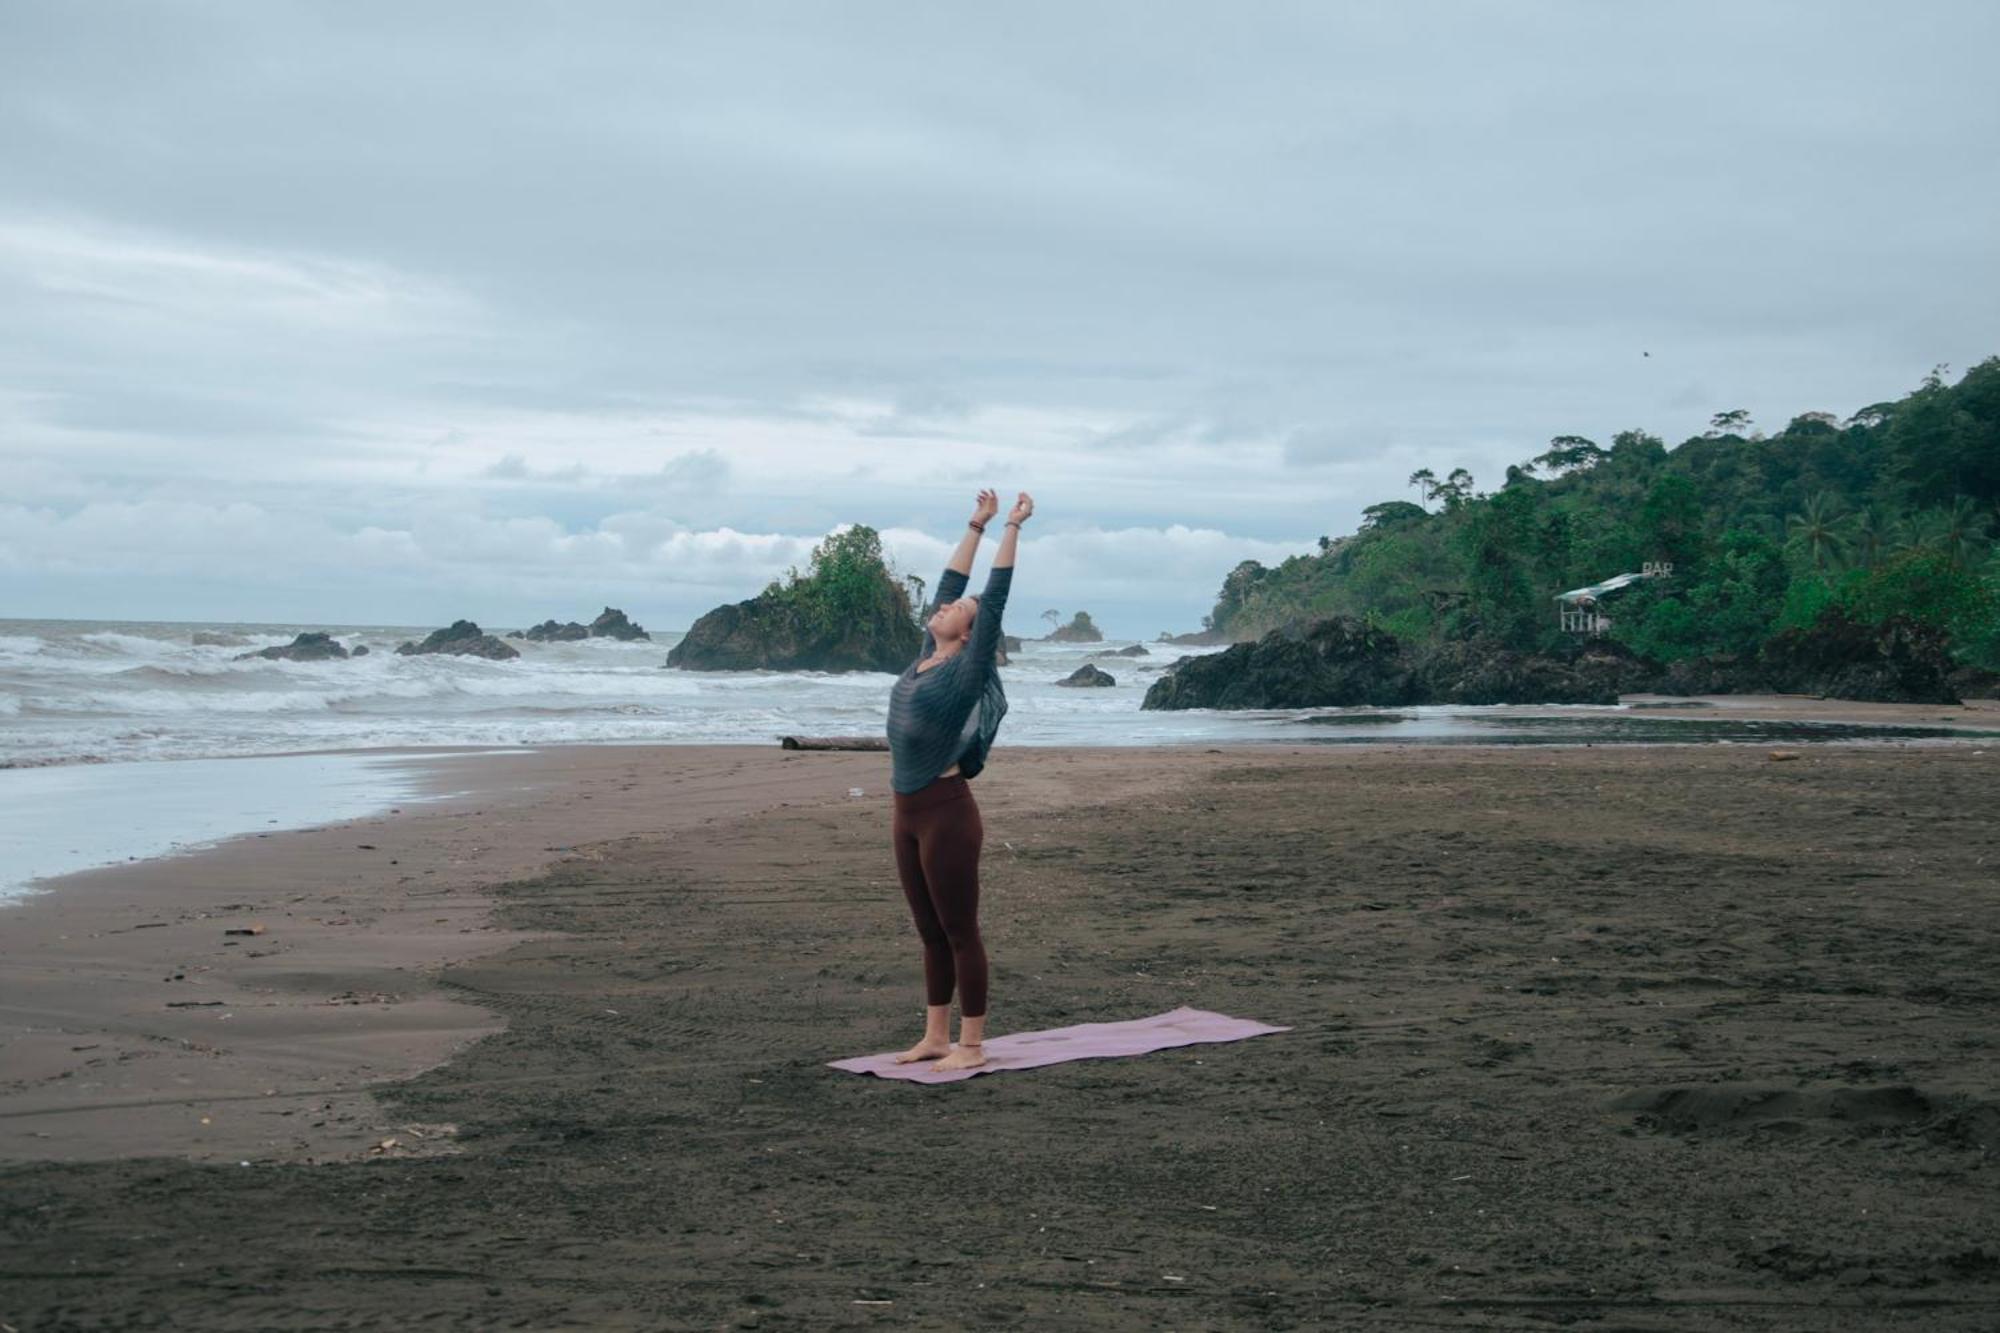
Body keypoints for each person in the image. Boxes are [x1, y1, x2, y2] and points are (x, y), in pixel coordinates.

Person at [883, 487, 1032, 1071]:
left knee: (960, 930)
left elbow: (991, 599)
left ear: (971, 636)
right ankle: (935, 1036)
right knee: (928, 931)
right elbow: (951, 583)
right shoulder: (926, 655)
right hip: (906, 812)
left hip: (946, 812)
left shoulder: (966, 673)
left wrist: (1012, 529)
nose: (945, 608)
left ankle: (971, 1045)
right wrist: (976, 523)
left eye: (957, 613)